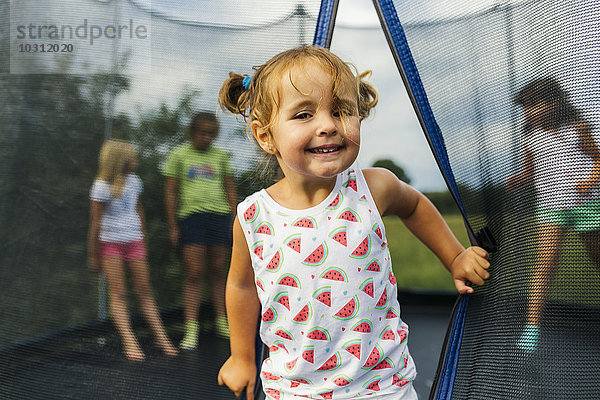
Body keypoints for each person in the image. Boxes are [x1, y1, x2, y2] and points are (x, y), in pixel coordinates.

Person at [215, 45, 490, 400]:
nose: (328, 125)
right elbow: (240, 286)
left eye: (341, 110)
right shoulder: (253, 216)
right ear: (266, 137)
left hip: (384, 386)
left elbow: (415, 206)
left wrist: (454, 257)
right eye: (303, 115)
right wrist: (241, 357)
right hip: (295, 391)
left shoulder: (372, 188)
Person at [508, 77, 600, 352]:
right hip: (550, 207)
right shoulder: (530, 137)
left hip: (586, 204)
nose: (527, 112)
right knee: (544, 264)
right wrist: (521, 179)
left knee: (598, 258)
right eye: (524, 108)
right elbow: (532, 172)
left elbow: (598, 159)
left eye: (532, 105)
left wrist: (591, 181)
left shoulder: (577, 128)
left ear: (554, 103)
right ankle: (532, 328)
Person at [87, 139, 178, 361]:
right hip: (110, 244)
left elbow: (139, 211)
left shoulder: (135, 182)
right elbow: (95, 222)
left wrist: (143, 239)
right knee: (118, 293)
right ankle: (129, 341)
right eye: (131, 158)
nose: (135, 161)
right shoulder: (101, 186)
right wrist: (93, 254)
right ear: (120, 161)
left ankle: (161, 338)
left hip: (134, 241)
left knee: (144, 290)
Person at [164, 111, 237, 349]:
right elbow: (170, 192)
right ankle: (191, 329)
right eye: (202, 133)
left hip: (219, 216)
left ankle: (221, 322)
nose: (206, 137)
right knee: (194, 273)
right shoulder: (178, 155)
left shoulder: (221, 156)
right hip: (191, 217)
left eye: (211, 134)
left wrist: (234, 219)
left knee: (218, 270)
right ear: (192, 132)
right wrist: (173, 226)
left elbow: (229, 188)